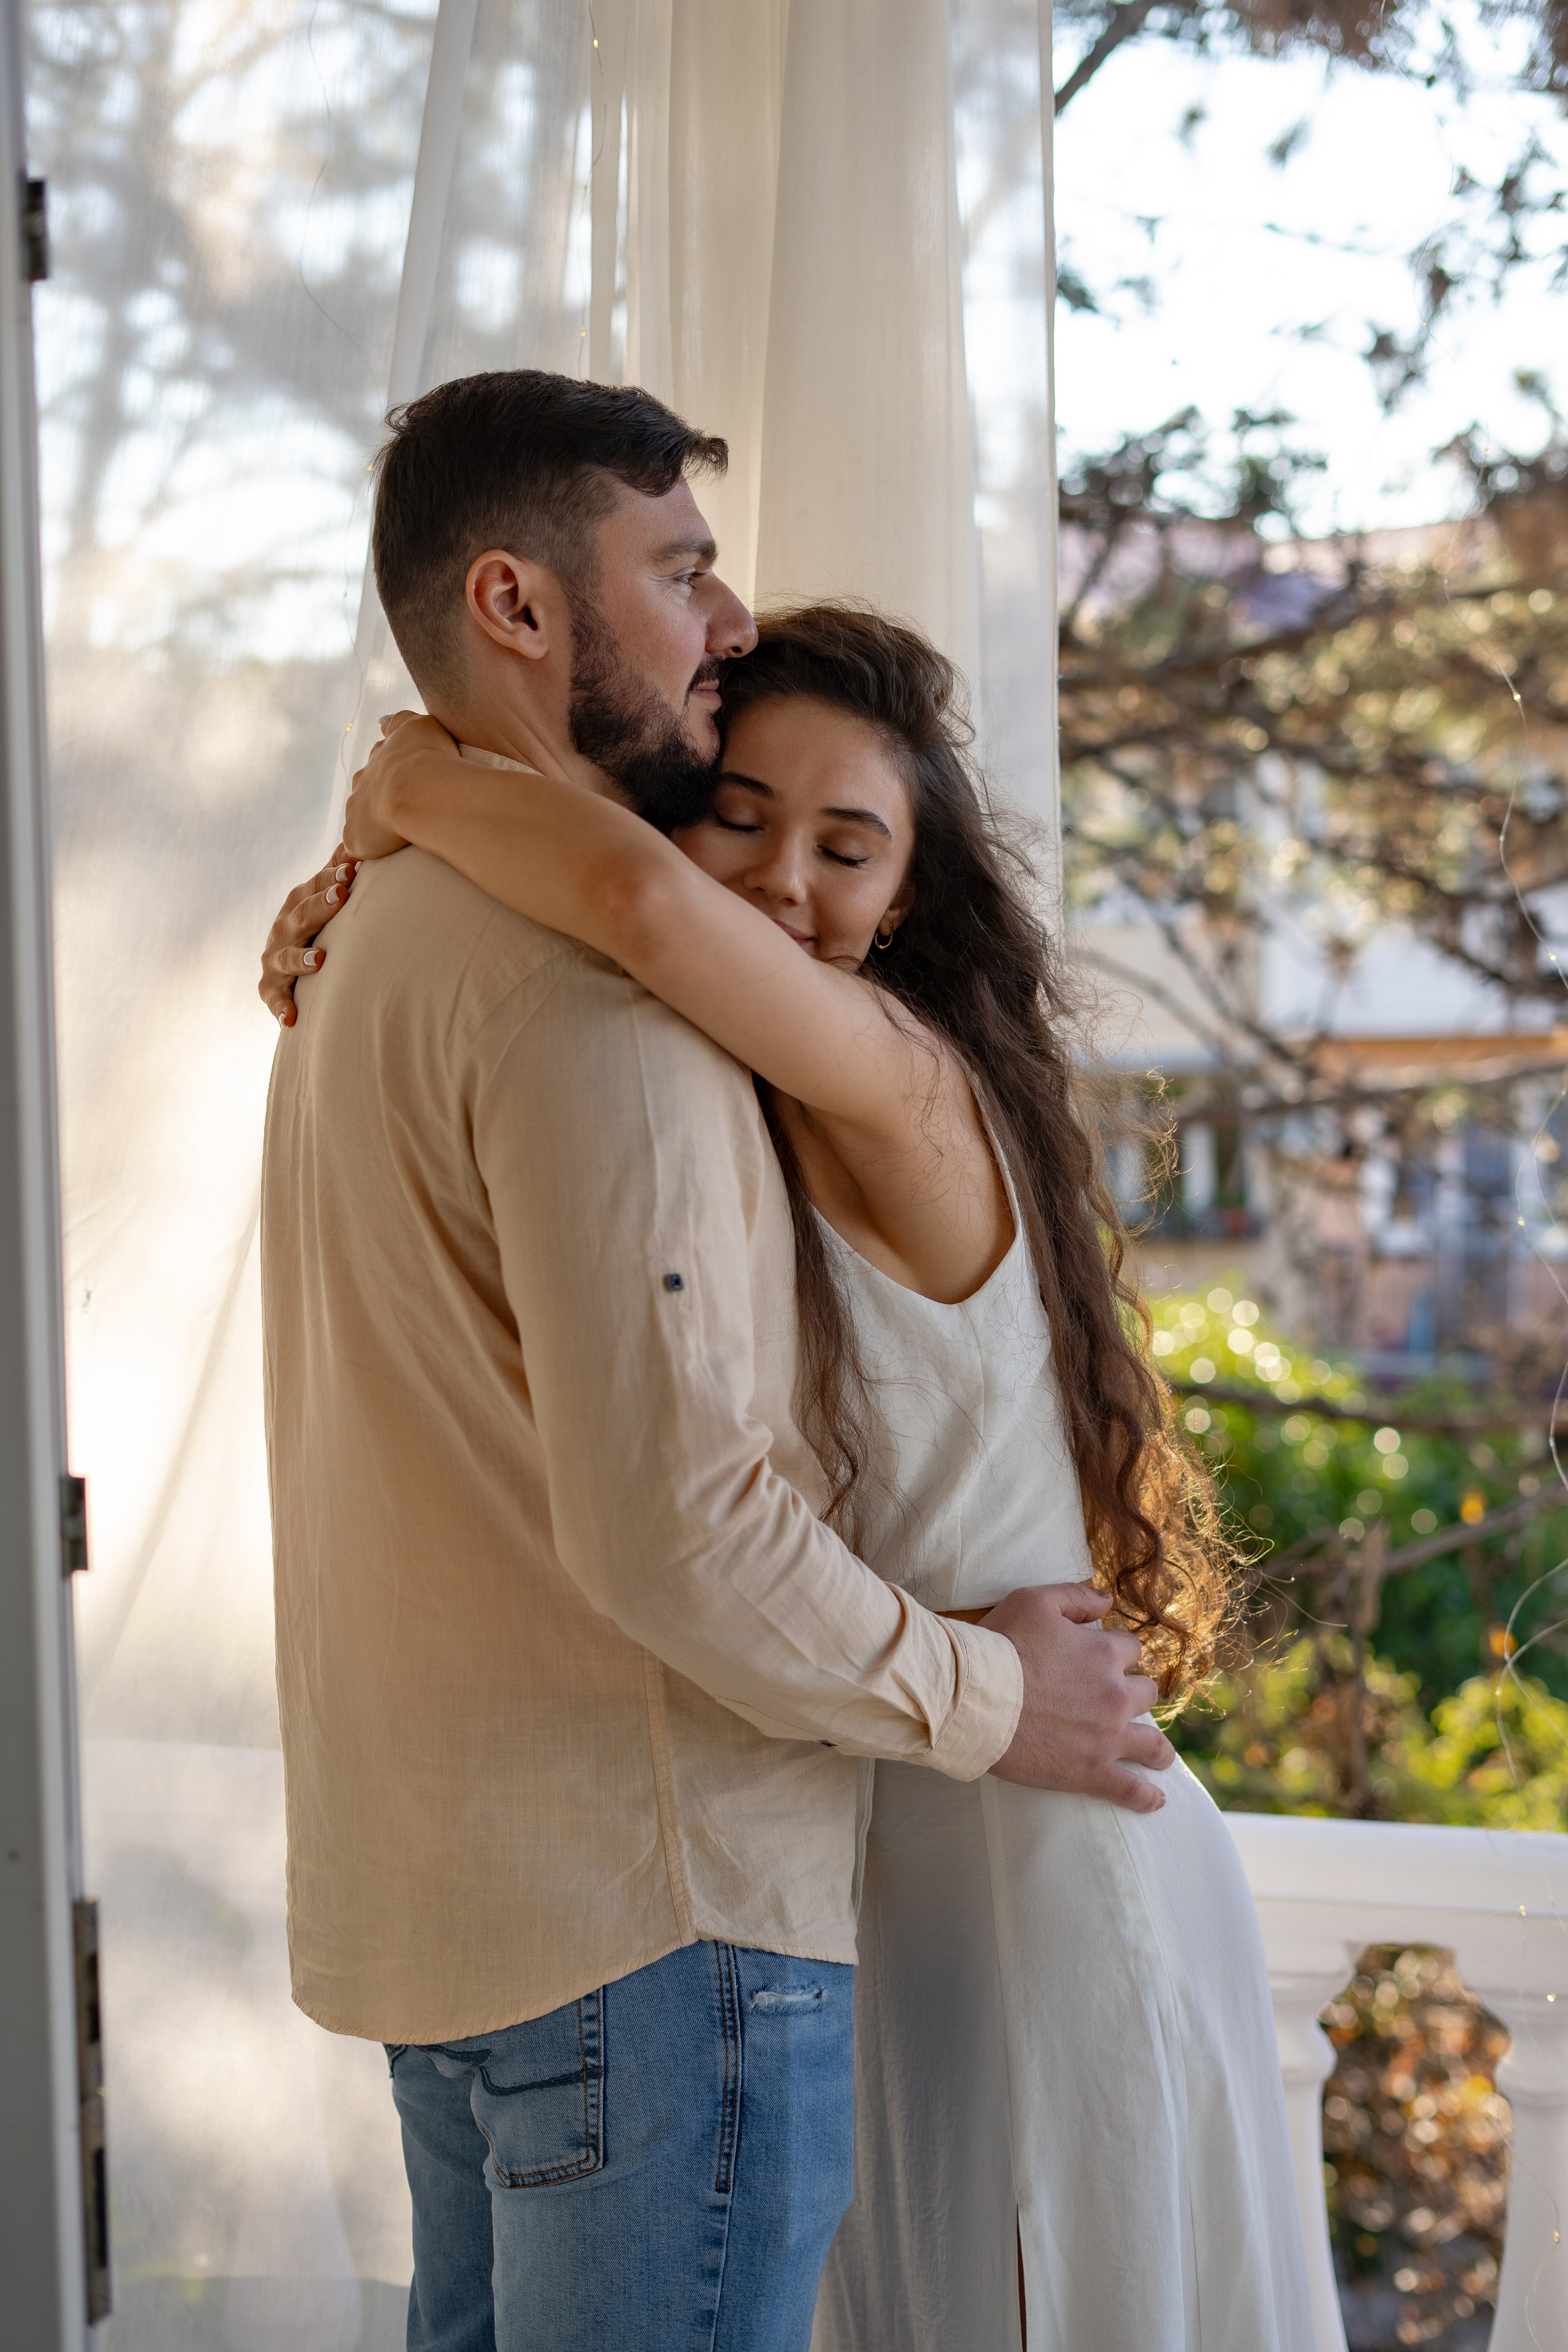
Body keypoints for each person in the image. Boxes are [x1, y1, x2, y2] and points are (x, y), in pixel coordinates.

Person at [265, 586, 1316, 2348]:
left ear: (911, 897)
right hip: (856, 1834)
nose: (779, 881)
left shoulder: (899, 1082)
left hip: (1034, 1848)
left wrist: (410, 786)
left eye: (848, 846)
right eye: (741, 813)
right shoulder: (690, 1088)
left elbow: (630, 895)